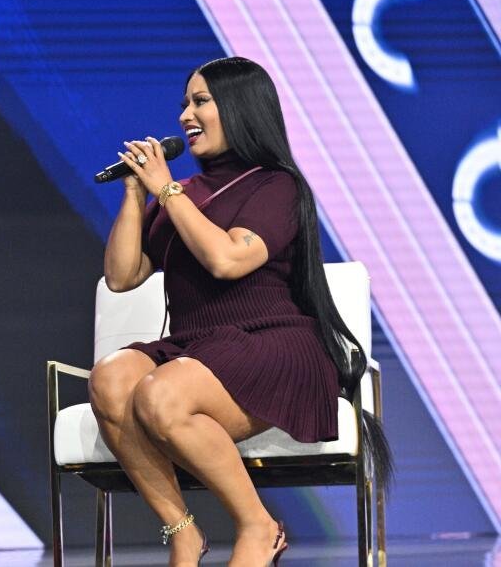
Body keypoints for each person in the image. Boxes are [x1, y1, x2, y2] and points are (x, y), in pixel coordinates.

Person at [90, 57, 390, 566]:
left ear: (240, 107)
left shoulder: (276, 186)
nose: (185, 115)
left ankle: (257, 526)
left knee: (161, 394)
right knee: (110, 379)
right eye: (184, 103)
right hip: (197, 346)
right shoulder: (183, 194)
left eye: (200, 101)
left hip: (271, 343)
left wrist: (167, 190)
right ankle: (182, 531)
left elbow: (227, 260)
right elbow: (122, 277)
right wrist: (136, 192)